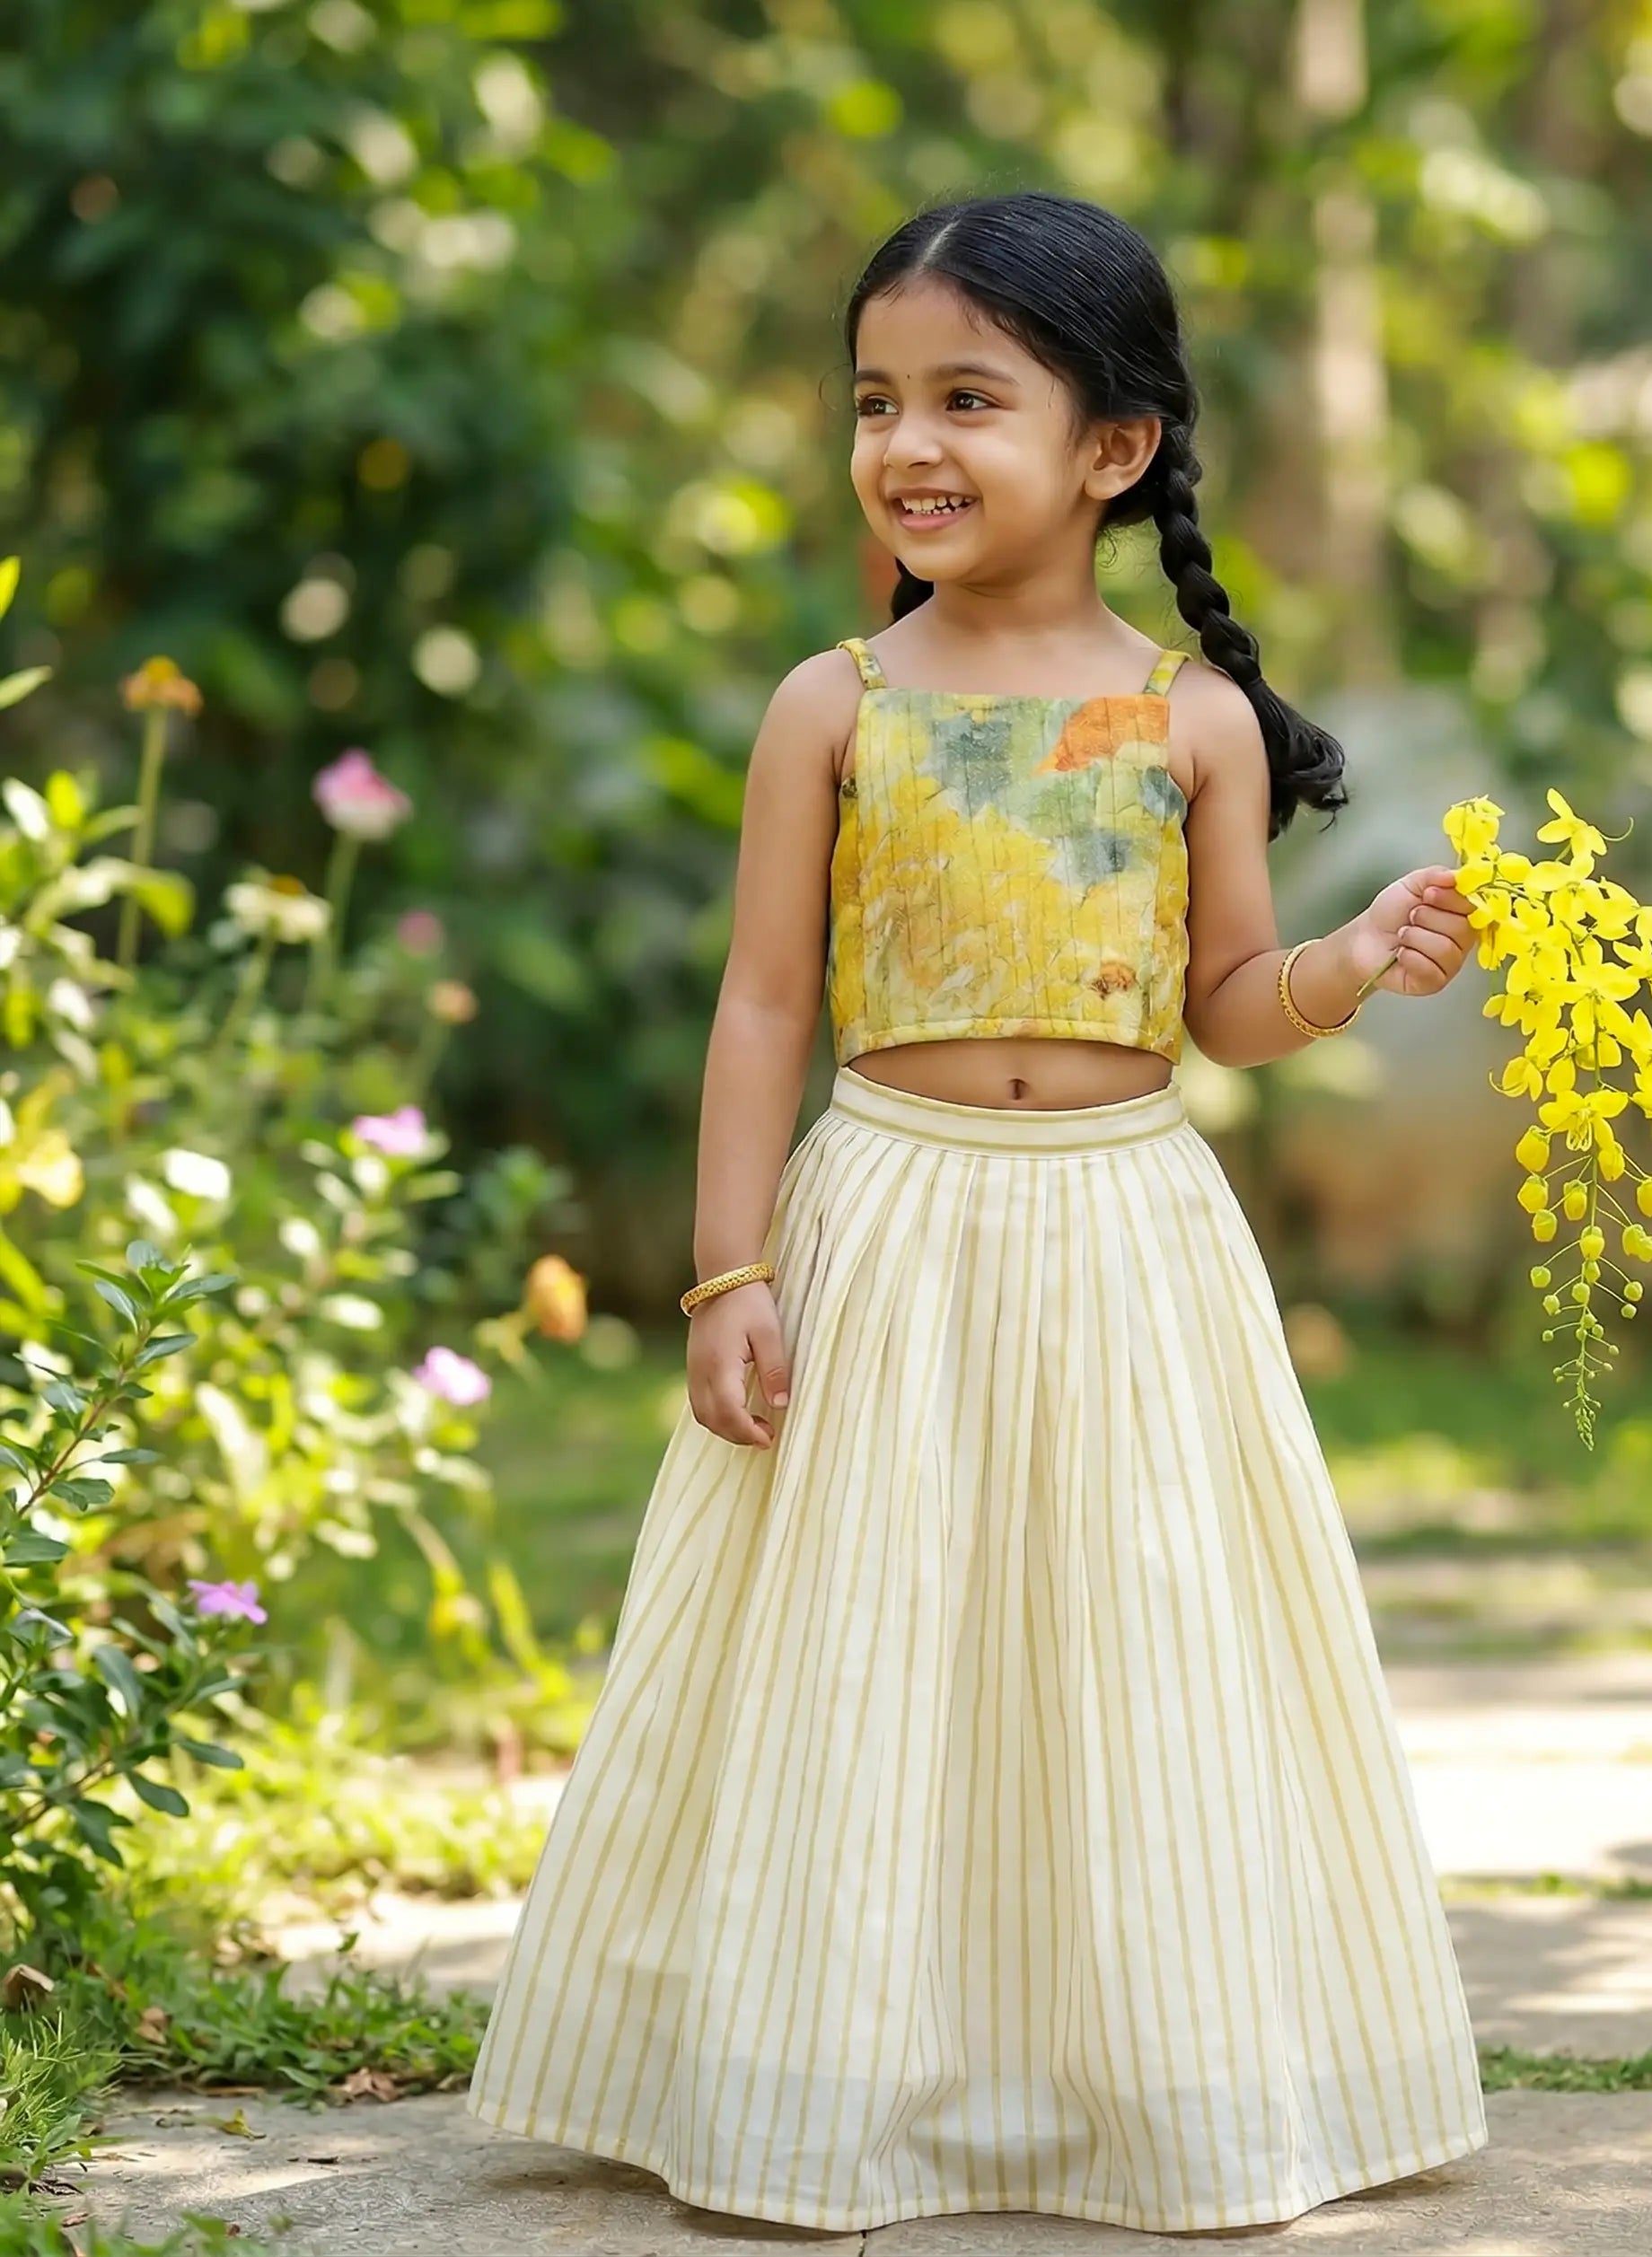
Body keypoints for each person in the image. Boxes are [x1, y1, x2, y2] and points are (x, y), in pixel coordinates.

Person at [468, 189, 1488, 2235]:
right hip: (889, 1229)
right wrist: (729, 1268)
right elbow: (763, 1004)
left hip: (1122, 1236)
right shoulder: (829, 701)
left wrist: (1353, 960)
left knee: (1135, 1642)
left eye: (964, 398)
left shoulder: (1189, 720)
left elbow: (1219, 1005)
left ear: (1109, 449)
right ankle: (825, 2076)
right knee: (862, 1648)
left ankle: (1149, 2080)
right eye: (873, 400)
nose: (905, 444)